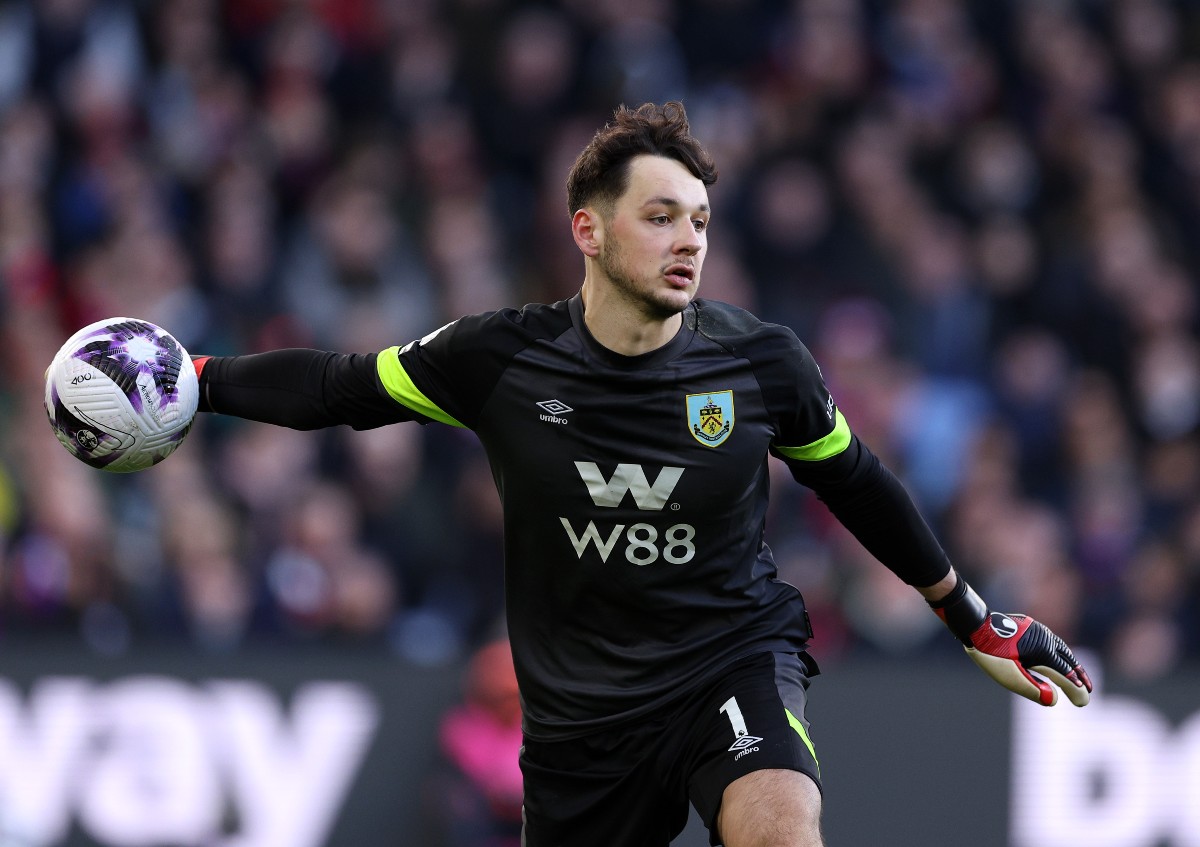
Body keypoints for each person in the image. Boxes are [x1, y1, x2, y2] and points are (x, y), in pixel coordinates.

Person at [188, 102, 1092, 847]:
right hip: (579, 719)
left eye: (699, 220)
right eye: (660, 217)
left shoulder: (761, 363)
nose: (688, 240)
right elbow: (338, 387)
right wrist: (195, 378)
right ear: (588, 229)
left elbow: (856, 481)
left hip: (727, 661)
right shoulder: (499, 359)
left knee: (781, 828)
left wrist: (971, 617)